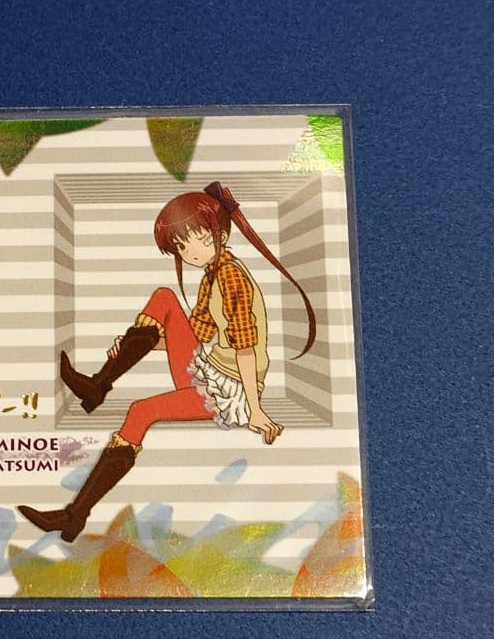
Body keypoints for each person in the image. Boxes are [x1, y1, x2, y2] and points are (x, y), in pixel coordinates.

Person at [18, 181, 316, 542]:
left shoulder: (231, 277)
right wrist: (135, 346)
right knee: (164, 299)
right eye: (181, 246)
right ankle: (98, 386)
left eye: (199, 239)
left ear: (220, 233)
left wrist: (255, 410)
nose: (191, 252)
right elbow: (197, 333)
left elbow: (246, 348)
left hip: (230, 388)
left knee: (140, 412)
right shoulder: (214, 273)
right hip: (212, 367)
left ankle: (74, 515)